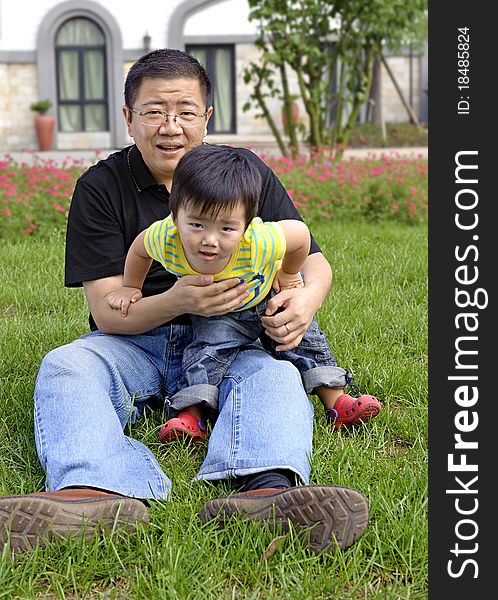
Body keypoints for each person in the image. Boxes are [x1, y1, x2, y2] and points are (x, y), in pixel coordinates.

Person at [0, 48, 371, 555]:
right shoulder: (100, 188)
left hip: (234, 340)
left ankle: (267, 492)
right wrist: (178, 299)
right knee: (67, 364)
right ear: (129, 118)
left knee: (277, 375)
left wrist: (305, 300)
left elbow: (310, 256)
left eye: (186, 112)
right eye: (154, 112)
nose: (170, 126)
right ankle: (94, 491)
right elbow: (109, 309)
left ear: (207, 118)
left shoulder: (240, 174)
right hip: (140, 340)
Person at [107, 144, 381, 443]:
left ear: (246, 225)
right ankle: (191, 417)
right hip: (219, 309)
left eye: (227, 229)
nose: (210, 240)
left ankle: (337, 402)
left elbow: (300, 236)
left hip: (268, 297)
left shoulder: (259, 240)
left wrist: (289, 275)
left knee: (303, 341)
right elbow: (139, 249)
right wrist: (132, 286)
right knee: (205, 354)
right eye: (196, 224)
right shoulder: (165, 237)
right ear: (175, 216)